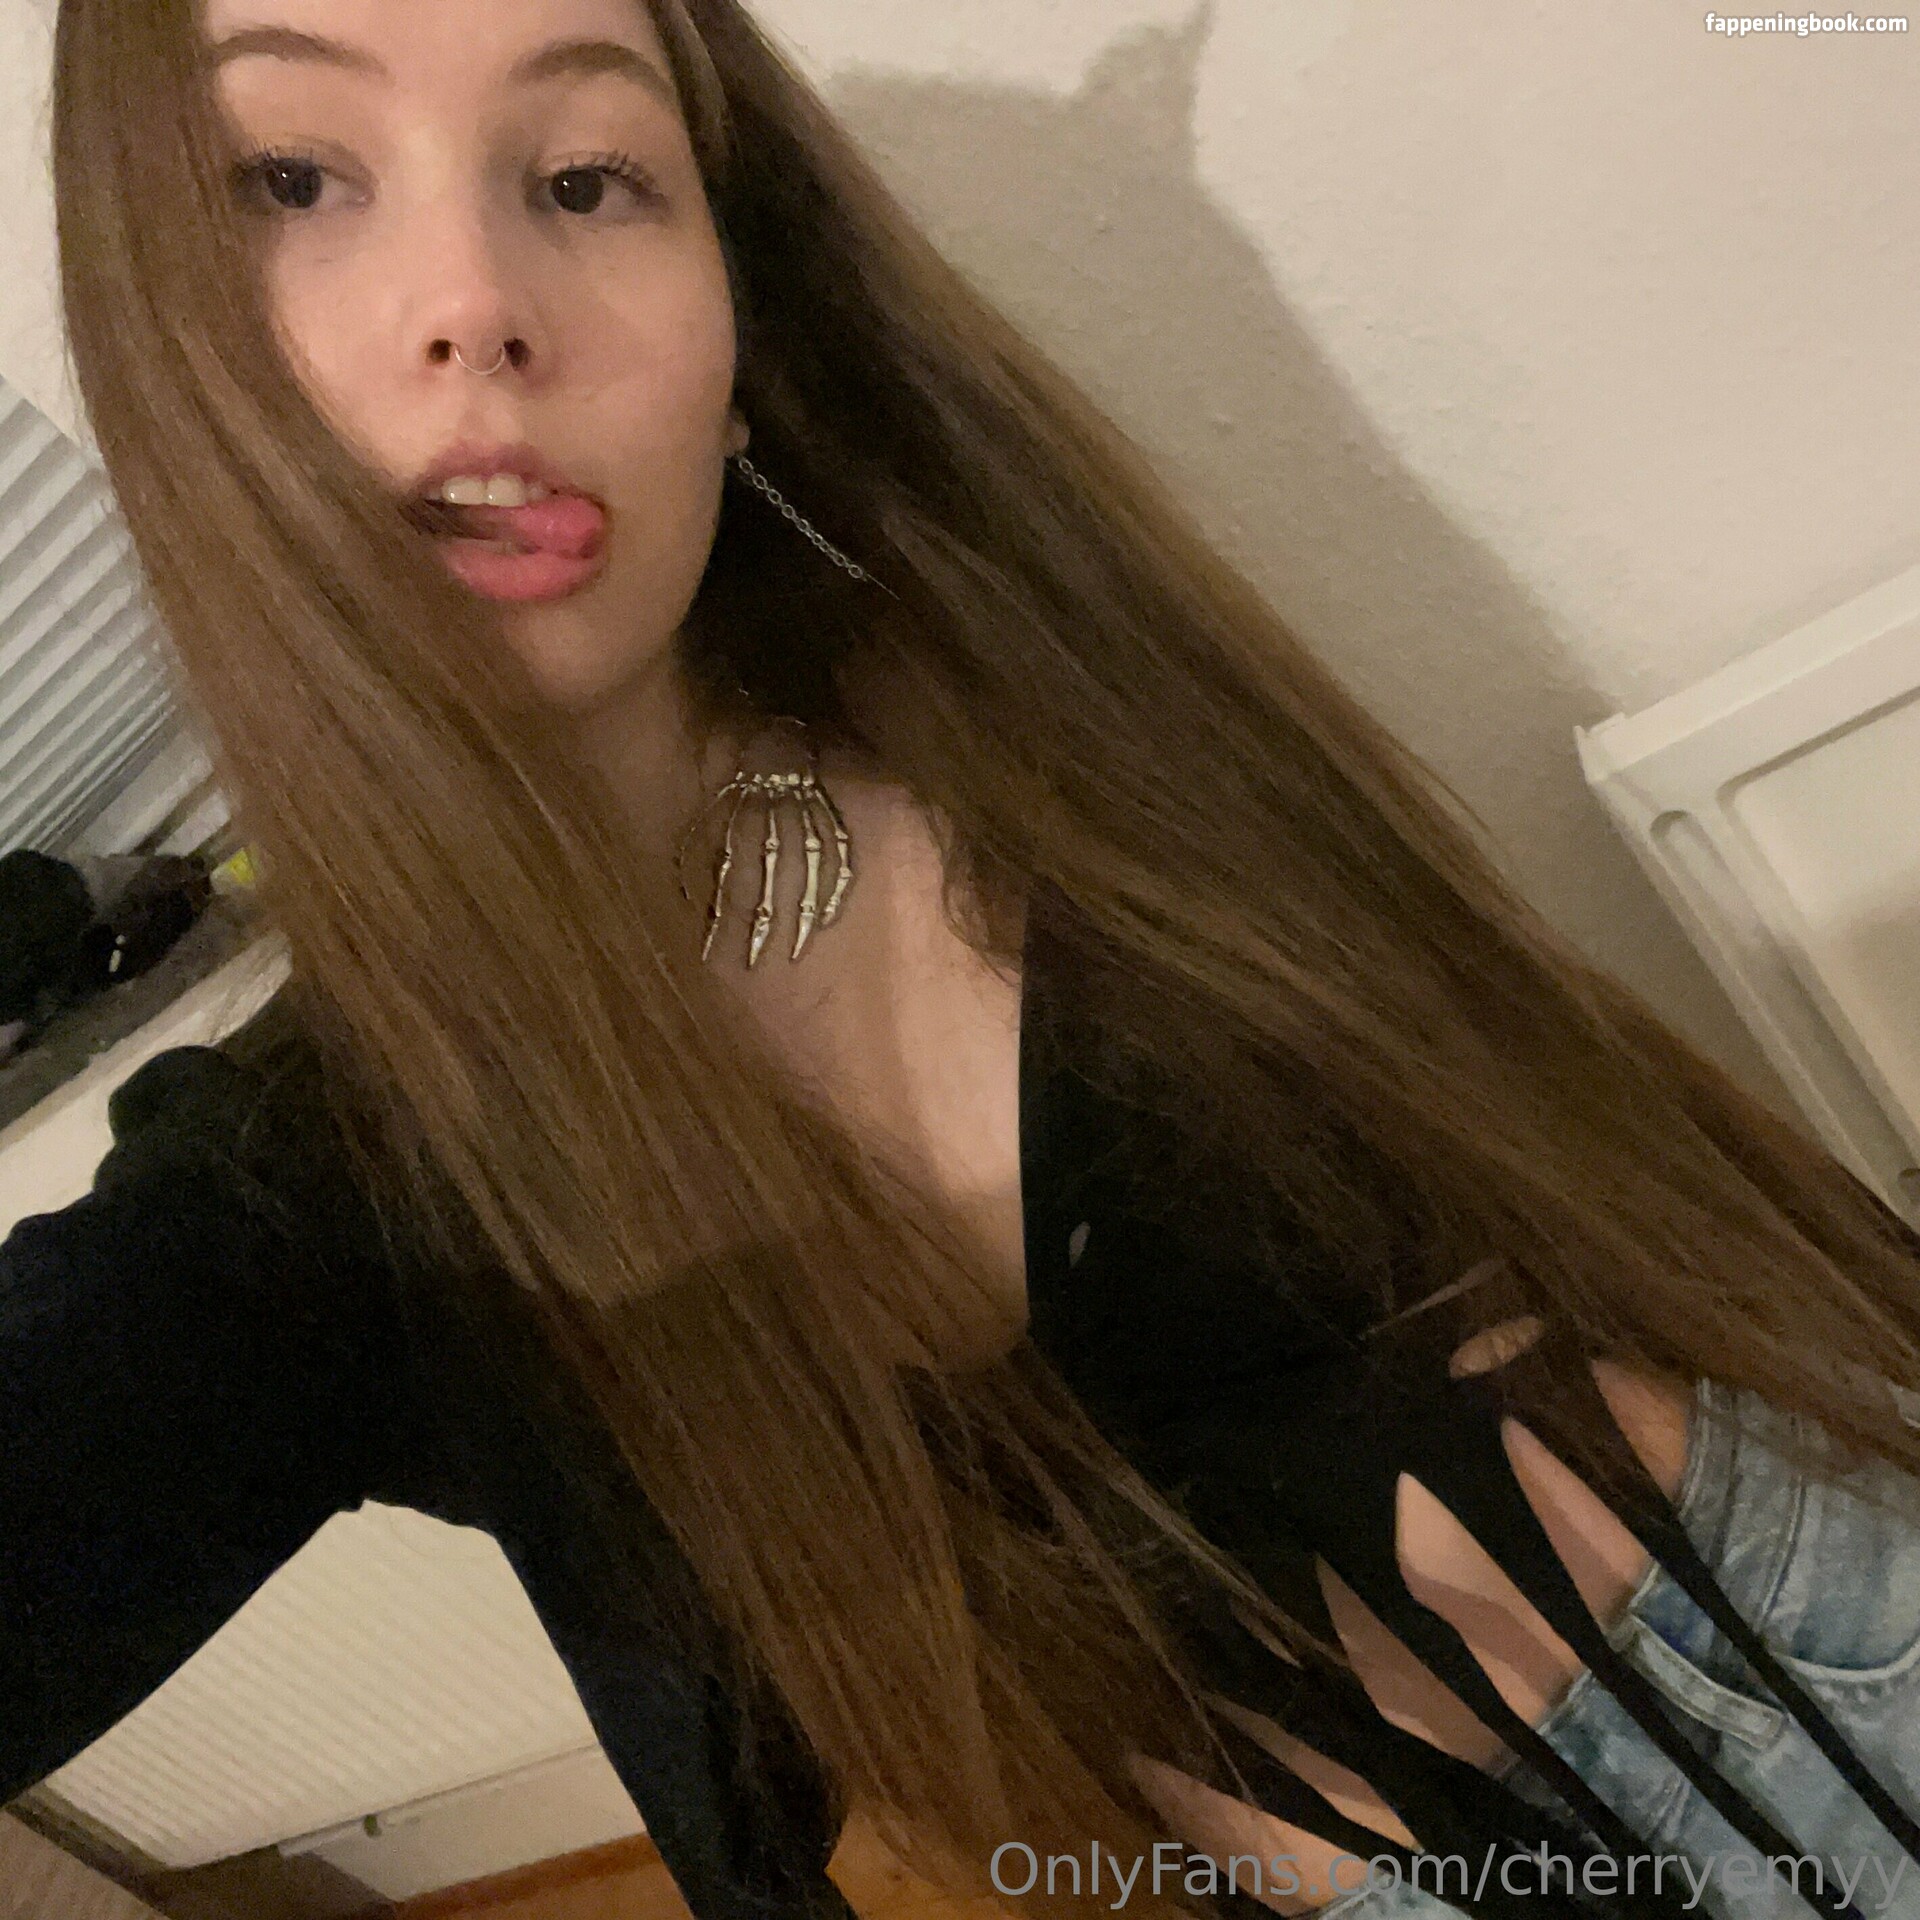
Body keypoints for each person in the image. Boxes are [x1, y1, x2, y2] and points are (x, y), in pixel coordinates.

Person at [8, 3, 1920, 1917]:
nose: (476, 304)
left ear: (741, 352)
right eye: (287, 179)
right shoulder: (297, 1193)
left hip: (1831, 1630)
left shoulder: (1033, 675)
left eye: (587, 180)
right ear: (152, 365)